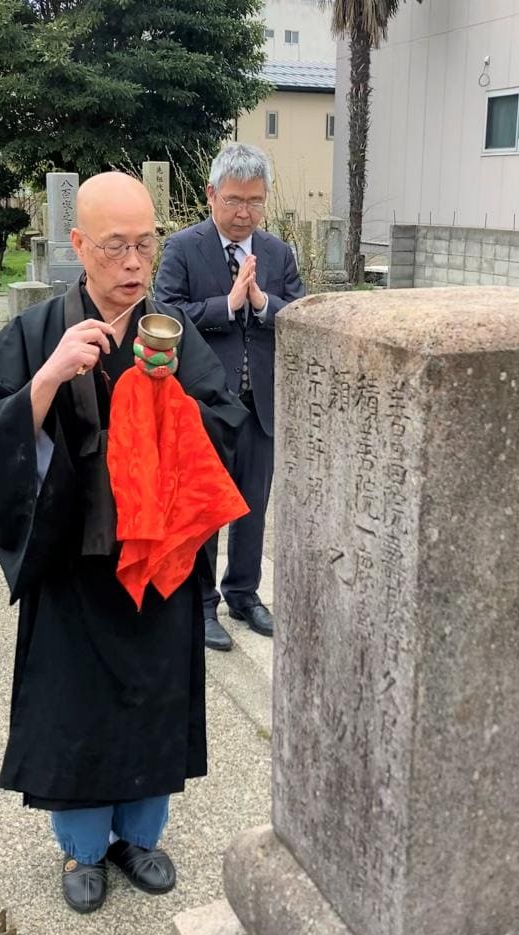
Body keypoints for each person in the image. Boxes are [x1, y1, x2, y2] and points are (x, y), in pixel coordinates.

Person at [0, 173, 247, 914]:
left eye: (145, 244)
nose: (132, 264)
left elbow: (227, 427)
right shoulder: (37, 332)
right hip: (75, 567)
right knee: (76, 715)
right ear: (78, 245)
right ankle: (83, 849)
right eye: (115, 246)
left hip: (158, 569)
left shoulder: (169, 335)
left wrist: (172, 398)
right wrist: (49, 378)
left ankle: (138, 838)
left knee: (151, 710)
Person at [154, 143, 304, 652]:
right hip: (204, 404)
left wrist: (263, 303)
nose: (245, 212)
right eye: (235, 199)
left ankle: (244, 593)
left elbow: (302, 315)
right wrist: (228, 303)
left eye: (256, 201)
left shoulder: (278, 253)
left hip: (260, 403)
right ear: (211, 194)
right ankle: (200, 604)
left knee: (252, 506)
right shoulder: (182, 248)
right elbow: (165, 315)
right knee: (202, 509)